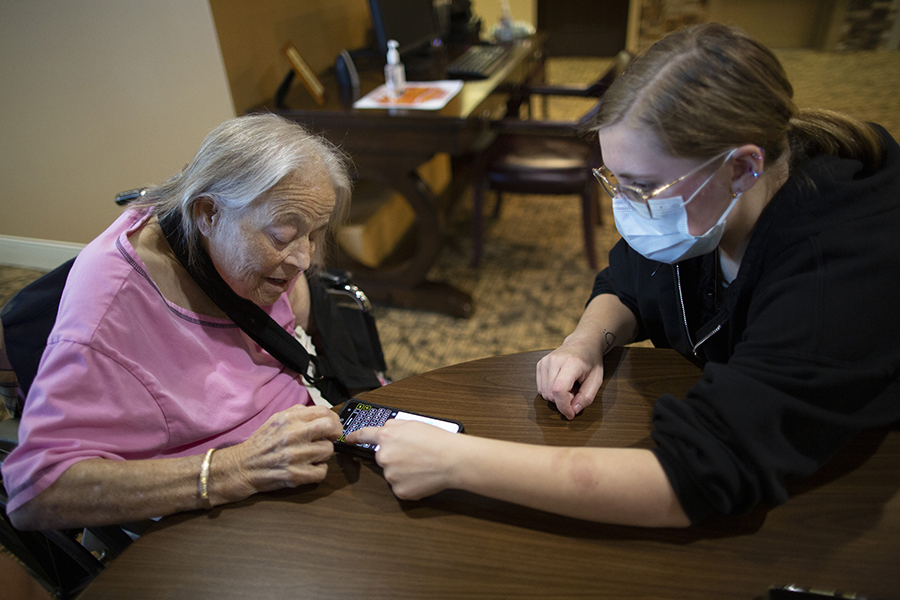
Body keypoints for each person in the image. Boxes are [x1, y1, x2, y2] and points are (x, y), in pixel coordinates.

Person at [346, 23, 900, 527]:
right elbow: (630, 279)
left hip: (838, 486)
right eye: (616, 183)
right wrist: (585, 342)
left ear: (743, 166)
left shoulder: (840, 263)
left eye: (644, 187)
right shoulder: (710, 211)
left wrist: (456, 462)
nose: (630, 208)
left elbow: (697, 477)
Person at [2, 114, 360, 530]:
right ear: (207, 213)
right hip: (228, 512)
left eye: (314, 234)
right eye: (282, 236)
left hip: (301, 450)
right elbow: (37, 491)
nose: (303, 259)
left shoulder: (231, 250)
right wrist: (236, 469)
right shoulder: (110, 307)